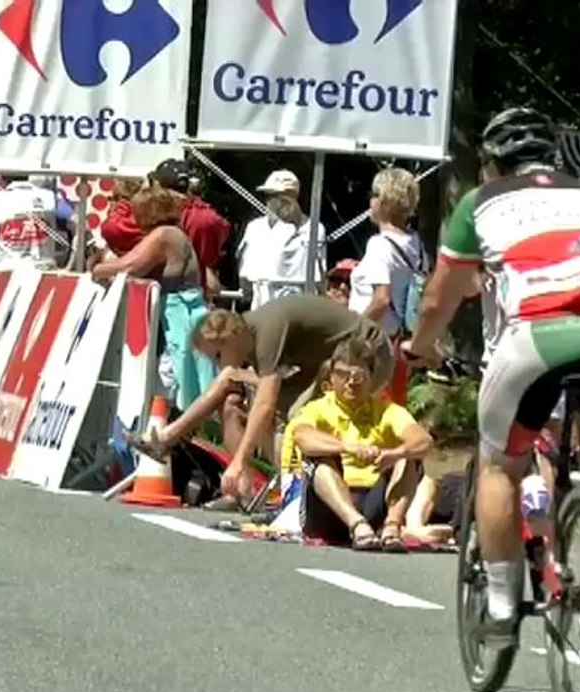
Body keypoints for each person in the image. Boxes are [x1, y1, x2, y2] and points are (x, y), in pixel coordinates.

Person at [402, 107, 580, 649]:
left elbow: (443, 294)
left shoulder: (481, 201)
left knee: (499, 463)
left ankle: (504, 601)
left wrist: (420, 347)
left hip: (539, 330)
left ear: (491, 164)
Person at [130, 295, 394, 511]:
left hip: (367, 357)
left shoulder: (266, 333)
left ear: (232, 337)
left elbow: (265, 405)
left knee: (292, 414)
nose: (219, 363)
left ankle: (295, 486)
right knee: (228, 385)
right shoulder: (248, 334)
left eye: (219, 355)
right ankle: (171, 441)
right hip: (324, 362)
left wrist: (239, 459)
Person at [288, 339, 434, 550]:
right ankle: (356, 524)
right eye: (342, 375)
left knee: (408, 457)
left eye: (359, 376)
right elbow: (302, 437)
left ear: (371, 378)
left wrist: (394, 453)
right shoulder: (317, 409)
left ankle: (392, 527)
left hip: (373, 498)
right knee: (319, 457)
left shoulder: (387, 411)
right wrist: (348, 447)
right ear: (331, 377)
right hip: (327, 507)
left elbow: (424, 441)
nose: (351, 382)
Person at [91, 186, 215, 412]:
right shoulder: (176, 233)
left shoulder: (163, 235)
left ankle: (161, 431)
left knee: (167, 376)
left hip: (178, 314)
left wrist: (96, 267)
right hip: (184, 309)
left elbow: (129, 266)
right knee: (176, 374)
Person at [349, 167, 426, 404]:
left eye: (374, 195)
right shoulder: (417, 246)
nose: (370, 201)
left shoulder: (380, 245)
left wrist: (352, 336)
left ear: (384, 201)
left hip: (373, 344)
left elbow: (382, 298)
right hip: (399, 341)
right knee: (391, 414)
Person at [236, 170, 326, 310]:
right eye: (269, 196)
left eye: (276, 196)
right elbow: (245, 275)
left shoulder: (313, 229)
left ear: (292, 197)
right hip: (262, 304)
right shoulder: (255, 227)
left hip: (296, 307)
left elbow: (319, 277)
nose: (270, 201)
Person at [149, 159, 232, 298]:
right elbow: (212, 252)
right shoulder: (206, 216)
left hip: (162, 292)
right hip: (196, 293)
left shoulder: (157, 212)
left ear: (159, 185)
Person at [0, 175, 74, 273]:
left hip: (10, 276)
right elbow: (79, 224)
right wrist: (70, 266)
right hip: (46, 274)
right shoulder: (49, 198)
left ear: (1, 177)